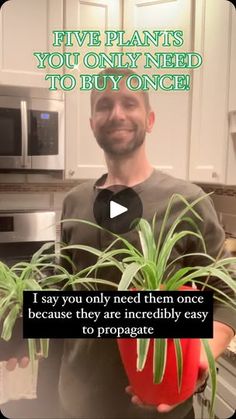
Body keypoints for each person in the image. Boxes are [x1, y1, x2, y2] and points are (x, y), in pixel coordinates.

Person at [5, 68, 236, 419]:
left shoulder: (188, 200)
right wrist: (23, 330)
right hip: (77, 404)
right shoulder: (75, 202)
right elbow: (64, 288)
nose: (117, 114)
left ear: (150, 118)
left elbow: (225, 297)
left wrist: (199, 359)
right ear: (92, 122)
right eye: (104, 105)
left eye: (130, 102)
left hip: (162, 407)